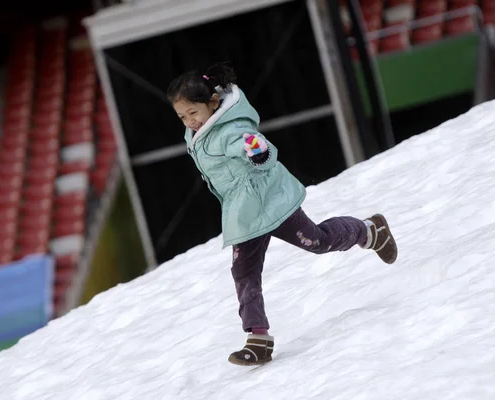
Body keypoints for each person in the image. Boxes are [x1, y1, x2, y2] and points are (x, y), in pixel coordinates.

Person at [166, 62, 398, 366]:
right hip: (244, 213)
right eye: (182, 116)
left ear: (212, 102)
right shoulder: (199, 133)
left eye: (193, 113)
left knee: (317, 241)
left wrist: (256, 151)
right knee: (244, 272)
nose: (189, 121)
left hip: (271, 201)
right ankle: (258, 339)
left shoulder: (231, 129)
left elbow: (254, 144)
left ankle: (370, 231)